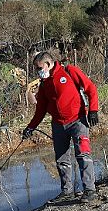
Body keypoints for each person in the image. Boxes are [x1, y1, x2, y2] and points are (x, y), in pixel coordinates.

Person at [22, 52, 99, 203]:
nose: (38, 71)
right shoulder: (44, 83)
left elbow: (91, 88)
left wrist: (93, 110)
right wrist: (30, 127)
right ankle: (67, 191)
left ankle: (89, 190)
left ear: (48, 64)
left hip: (78, 120)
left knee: (83, 155)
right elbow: (41, 109)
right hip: (58, 124)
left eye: (39, 68)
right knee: (61, 159)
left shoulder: (69, 71)